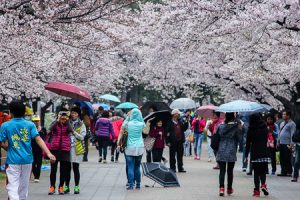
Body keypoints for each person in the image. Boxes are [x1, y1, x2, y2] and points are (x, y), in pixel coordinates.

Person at [0, 100, 55, 200]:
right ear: (24, 112)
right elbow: (38, 138)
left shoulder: (5, 125)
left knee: (12, 187)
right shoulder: (30, 125)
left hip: (12, 161)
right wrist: (48, 153)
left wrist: (7, 148)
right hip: (27, 160)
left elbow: (1, 141)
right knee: (23, 188)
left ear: (11, 112)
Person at [215, 112, 241, 196]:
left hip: (221, 149)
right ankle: (229, 189)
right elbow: (240, 139)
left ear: (225, 117)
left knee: (222, 171)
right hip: (231, 150)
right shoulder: (236, 127)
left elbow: (216, 136)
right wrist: (240, 129)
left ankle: (221, 188)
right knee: (230, 171)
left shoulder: (220, 126)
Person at [245, 114, 270, 197]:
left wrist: (246, 155)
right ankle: (263, 185)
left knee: (256, 172)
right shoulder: (265, 128)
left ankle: (256, 191)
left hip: (255, 152)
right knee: (263, 171)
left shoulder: (251, 129)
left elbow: (248, 143)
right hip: (264, 152)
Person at [48, 111, 72, 195]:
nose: (63, 117)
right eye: (62, 116)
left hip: (65, 150)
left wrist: (67, 121)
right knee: (53, 169)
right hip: (54, 149)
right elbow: (51, 128)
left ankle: (61, 187)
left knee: (63, 170)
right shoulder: (55, 123)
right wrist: (58, 120)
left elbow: (70, 130)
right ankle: (52, 187)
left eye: (65, 116)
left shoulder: (68, 124)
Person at [64, 107, 86, 194]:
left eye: (75, 113)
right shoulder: (66, 122)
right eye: (72, 113)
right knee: (67, 168)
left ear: (78, 115)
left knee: (76, 168)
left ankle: (76, 186)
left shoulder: (81, 124)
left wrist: (73, 132)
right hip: (67, 148)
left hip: (77, 149)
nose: (73, 115)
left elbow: (82, 137)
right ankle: (66, 186)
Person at [123, 108, 145, 190]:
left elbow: (123, 126)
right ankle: (138, 185)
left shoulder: (128, 124)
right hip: (139, 147)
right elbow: (144, 126)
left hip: (130, 147)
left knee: (130, 167)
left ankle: (131, 185)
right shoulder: (141, 124)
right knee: (137, 167)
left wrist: (128, 117)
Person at [277, 110, 296, 177]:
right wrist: (278, 141)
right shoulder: (282, 123)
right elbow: (279, 133)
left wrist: (292, 143)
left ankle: (289, 171)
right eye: (283, 114)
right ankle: (283, 171)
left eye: (285, 114)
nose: (283, 115)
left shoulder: (292, 124)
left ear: (288, 115)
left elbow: (292, 134)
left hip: (287, 143)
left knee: (287, 158)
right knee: (282, 158)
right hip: (281, 142)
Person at [31, 115, 47, 183]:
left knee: (39, 163)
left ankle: (37, 177)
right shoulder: (30, 129)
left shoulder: (43, 129)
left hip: (40, 149)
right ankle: (35, 175)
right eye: (35, 121)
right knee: (33, 163)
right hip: (32, 148)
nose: (36, 122)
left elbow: (45, 138)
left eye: (37, 121)